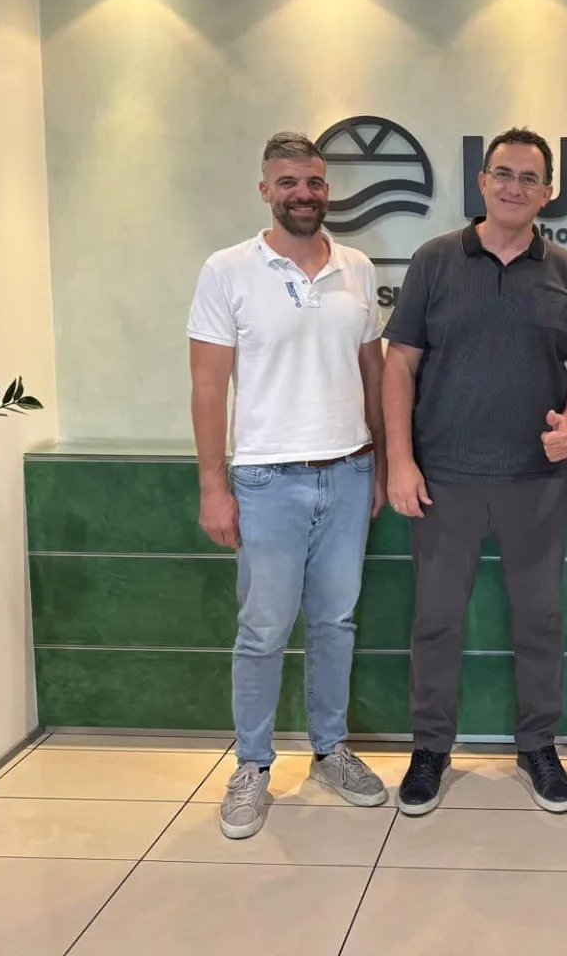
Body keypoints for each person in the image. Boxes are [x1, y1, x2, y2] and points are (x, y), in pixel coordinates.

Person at [382, 126, 567, 815]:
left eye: (529, 177)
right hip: (443, 480)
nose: (515, 187)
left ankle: (538, 745)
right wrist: (400, 461)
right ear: (482, 182)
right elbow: (399, 365)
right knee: (436, 620)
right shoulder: (435, 261)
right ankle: (430, 747)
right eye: (503, 174)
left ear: (548, 192)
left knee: (539, 619)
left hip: (536, 482)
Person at [188, 131, 389, 840]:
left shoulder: (356, 268)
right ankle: (252, 766)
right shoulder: (227, 270)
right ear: (266, 190)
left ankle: (330, 751)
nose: (303, 194)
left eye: (314, 182)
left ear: (326, 188)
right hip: (266, 479)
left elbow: (373, 372)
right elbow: (208, 386)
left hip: (349, 470)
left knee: (335, 623)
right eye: (289, 183)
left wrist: (381, 462)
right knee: (264, 629)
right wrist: (213, 486)